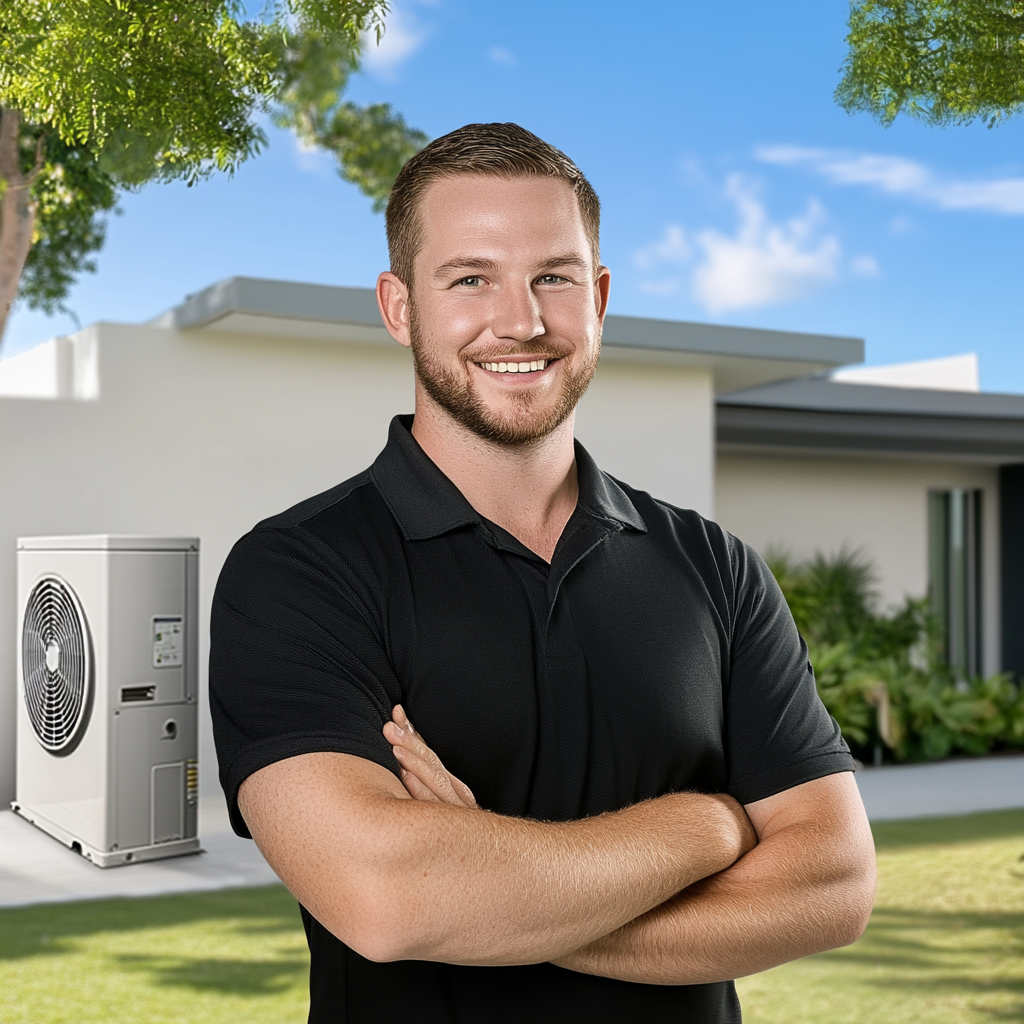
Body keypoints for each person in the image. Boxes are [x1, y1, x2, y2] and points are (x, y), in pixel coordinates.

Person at [209, 122, 876, 1024]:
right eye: (471, 278)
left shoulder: (712, 567)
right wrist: (707, 826)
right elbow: (386, 897)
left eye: (553, 277)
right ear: (399, 306)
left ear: (598, 298)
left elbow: (832, 884)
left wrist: (484, 888)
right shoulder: (297, 573)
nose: (520, 320)